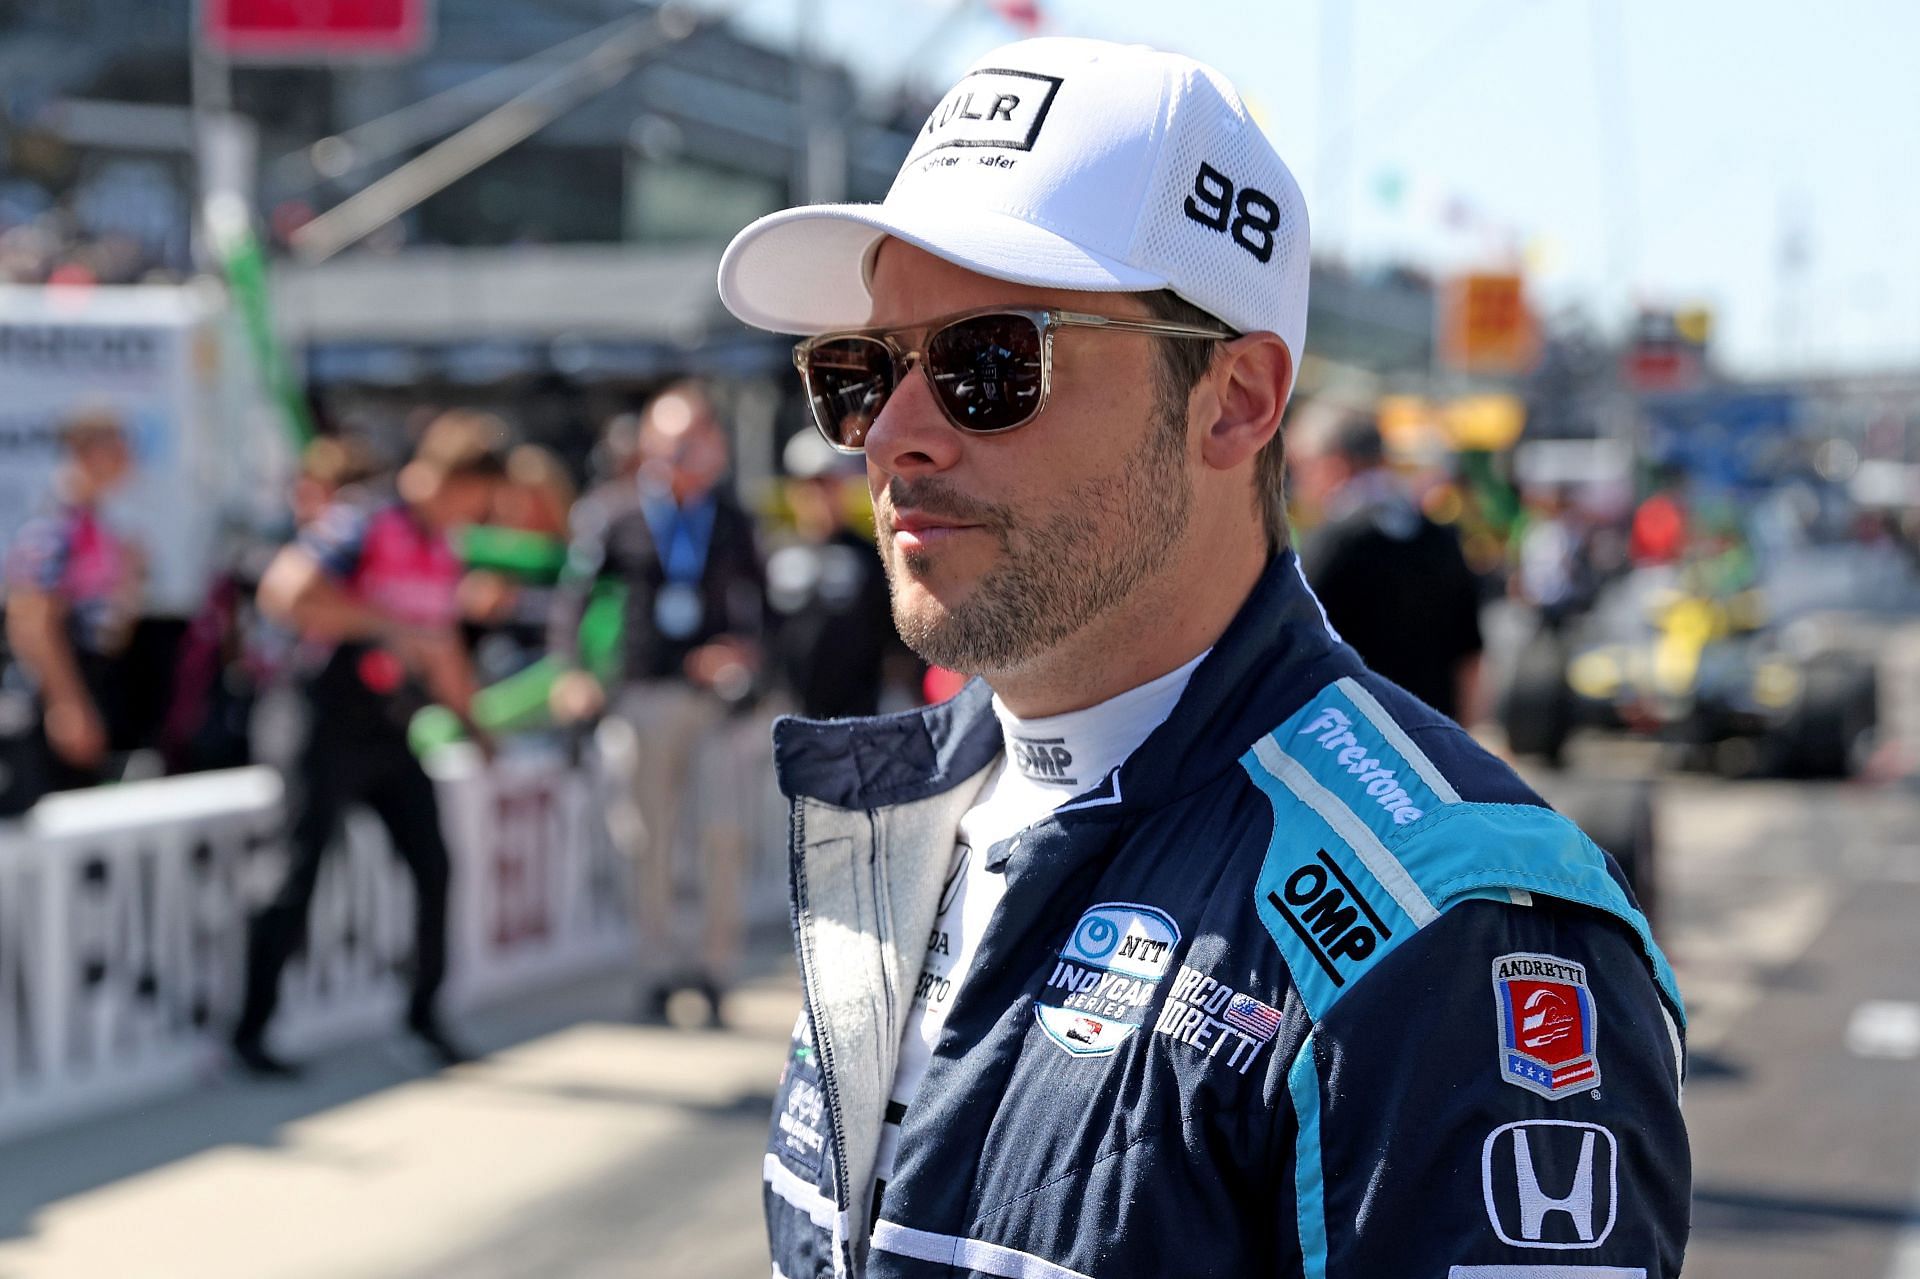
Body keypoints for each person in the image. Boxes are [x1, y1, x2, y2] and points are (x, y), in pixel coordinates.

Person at [718, 36, 1690, 1279]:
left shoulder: (1448, 929)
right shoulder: (906, 809)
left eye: (988, 362)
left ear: (1232, 400)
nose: (896, 435)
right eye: (859, 373)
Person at [232, 411, 506, 1077]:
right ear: (455, 479)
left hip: (389, 726)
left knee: (434, 864)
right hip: (317, 718)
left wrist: (474, 726)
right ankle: (250, 1031)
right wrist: (385, 624)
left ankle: (424, 1014)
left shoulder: (442, 546)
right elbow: (283, 593)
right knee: (295, 873)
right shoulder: (362, 520)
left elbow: (440, 646)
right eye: (478, 494)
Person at [547, 385, 768, 1026]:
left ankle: (714, 969)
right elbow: (571, 601)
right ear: (649, 444)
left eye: (697, 439)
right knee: (646, 839)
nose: (685, 453)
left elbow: (768, 615)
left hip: (713, 704)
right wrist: (573, 673)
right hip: (641, 698)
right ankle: (655, 968)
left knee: (720, 835)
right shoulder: (613, 513)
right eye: (674, 441)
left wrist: (743, 655)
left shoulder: (731, 518)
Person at [1292, 413, 1486, 721]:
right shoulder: (1441, 537)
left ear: (1334, 463)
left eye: (1302, 467)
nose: (1299, 482)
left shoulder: (1330, 541)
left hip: (1356, 748)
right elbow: (1470, 656)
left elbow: (1295, 655)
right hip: (1434, 737)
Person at [3, 409, 142, 797]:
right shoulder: (55, 522)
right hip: (58, 693)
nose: (127, 461)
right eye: (117, 449)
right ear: (86, 453)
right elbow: (29, 616)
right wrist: (66, 705)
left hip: (92, 682)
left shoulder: (93, 521)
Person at [768, 429, 905, 719]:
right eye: (809, 485)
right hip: (786, 708)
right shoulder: (773, 550)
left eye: (826, 484)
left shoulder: (871, 553)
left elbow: (893, 632)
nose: (817, 496)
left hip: (858, 710)